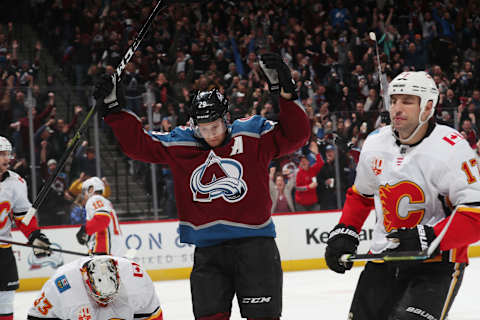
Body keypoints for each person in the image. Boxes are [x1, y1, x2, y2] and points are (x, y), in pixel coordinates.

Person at [94, 52, 310, 319]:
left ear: (226, 119)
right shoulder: (181, 143)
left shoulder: (252, 134)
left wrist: (286, 94)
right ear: (194, 124)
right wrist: (114, 111)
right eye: (204, 128)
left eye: (216, 126)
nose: (211, 134)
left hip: (255, 248)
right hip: (208, 253)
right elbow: (139, 146)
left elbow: (296, 136)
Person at [324, 71, 480, 319]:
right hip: (383, 259)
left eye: (407, 101)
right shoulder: (375, 144)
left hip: (437, 264)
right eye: (394, 100)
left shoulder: (453, 148)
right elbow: (362, 195)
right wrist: (346, 229)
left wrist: (431, 236)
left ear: (428, 106)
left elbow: (475, 214)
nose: (397, 107)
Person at [0, 136, 51, 320]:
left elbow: (23, 218)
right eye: (1, 154)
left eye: (7, 153)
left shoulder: (16, 182)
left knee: (5, 299)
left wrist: (35, 236)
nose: (6, 158)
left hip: (3, 250)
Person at [27, 255, 163, 319]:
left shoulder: (136, 282)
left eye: (110, 297)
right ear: (85, 281)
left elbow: (153, 316)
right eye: (100, 298)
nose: (105, 303)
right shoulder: (62, 287)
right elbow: (35, 316)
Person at [75, 177, 125, 257]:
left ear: (91, 189)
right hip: (115, 247)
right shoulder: (106, 201)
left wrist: (85, 230)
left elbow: (102, 220)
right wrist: (88, 237)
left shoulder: (94, 199)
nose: (84, 194)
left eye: (85, 191)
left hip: (105, 249)